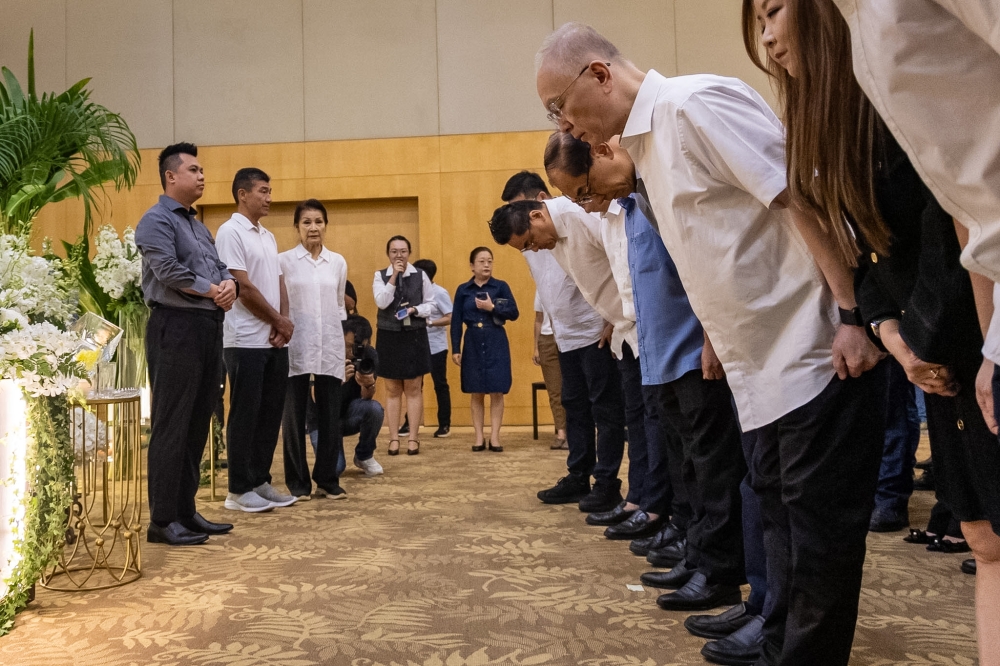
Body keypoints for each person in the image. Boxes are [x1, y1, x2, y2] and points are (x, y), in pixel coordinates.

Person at [535, 23, 886, 666]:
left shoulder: (692, 106)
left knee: (815, 536)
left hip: (810, 348)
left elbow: (799, 195)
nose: (565, 125)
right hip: (759, 365)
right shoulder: (646, 144)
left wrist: (853, 312)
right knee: (778, 517)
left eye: (560, 107)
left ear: (600, 75)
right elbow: (708, 254)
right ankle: (777, 638)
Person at [745, 2, 1000, 663]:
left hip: (972, 324)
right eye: (759, 24)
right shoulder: (826, 123)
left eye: (773, 11)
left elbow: (956, 216)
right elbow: (868, 249)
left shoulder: (887, 76)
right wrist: (891, 332)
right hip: (938, 346)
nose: (768, 37)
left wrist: (927, 336)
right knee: (985, 539)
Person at [501, 172, 627, 514]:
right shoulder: (528, 238)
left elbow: (616, 262)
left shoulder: (576, 217)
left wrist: (611, 317)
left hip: (596, 328)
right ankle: (578, 474)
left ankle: (606, 482)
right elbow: (546, 286)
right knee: (574, 406)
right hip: (564, 333)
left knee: (605, 409)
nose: (530, 245)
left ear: (539, 203)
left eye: (522, 209)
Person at [135, 142, 238, 546]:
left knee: (198, 422)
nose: (202, 176)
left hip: (207, 327)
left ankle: (185, 510)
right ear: (170, 176)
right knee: (172, 424)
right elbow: (167, 271)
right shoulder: (155, 220)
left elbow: (218, 266)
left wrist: (230, 284)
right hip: (175, 327)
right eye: (194, 170)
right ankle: (162, 519)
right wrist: (214, 290)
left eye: (201, 171)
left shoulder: (197, 225)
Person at [216, 168, 297, 512]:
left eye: (270, 190)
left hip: (273, 339)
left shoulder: (267, 235)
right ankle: (237, 488)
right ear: (242, 194)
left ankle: (259, 480)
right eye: (263, 191)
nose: (269, 197)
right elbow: (242, 288)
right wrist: (278, 320)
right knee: (245, 413)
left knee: (269, 412)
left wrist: (284, 322)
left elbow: (279, 282)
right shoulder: (229, 232)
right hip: (244, 339)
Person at [279, 199, 351, 501]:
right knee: (293, 417)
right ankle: (298, 483)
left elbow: (339, 305)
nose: (313, 227)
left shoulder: (337, 262)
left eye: (319, 221)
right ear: (297, 227)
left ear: (326, 226)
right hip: (294, 344)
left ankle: (327, 478)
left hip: (329, 344)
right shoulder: (283, 261)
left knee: (329, 414)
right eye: (306, 222)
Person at [450, 247, 519, 452]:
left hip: (496, 339)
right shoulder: (463, 290)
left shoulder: (501, 287)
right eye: (481, 261)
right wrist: (455, 348)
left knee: (497, 390)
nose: (486, 265)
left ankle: (495, 437)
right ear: (472, 266)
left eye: (489, 261)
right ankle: (479, 437)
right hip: (471, 340)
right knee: (476, 391)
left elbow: (514, 313)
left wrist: (493, 308)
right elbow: (456, 322)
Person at [372, 235, 435, 456]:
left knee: (413, 388)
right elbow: (381, 302)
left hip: (414, 335)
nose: (399, 255)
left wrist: (415, 310)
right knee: (392, 389)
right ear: (388, 254)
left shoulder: (421, 275)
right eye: (394, 251)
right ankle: (393, 438)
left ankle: (414, 438)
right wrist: (394, 276)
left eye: (403, 251)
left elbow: (431, 305)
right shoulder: (380, 276)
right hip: (389, 336)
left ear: (409, 252)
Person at [337, 314, 384, 476]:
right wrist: (338, 380)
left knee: (375, 409)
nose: (351, 352)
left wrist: (368, 384)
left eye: (357, 348)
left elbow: (366, 398)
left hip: (351, 412)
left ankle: (364, 456)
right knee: (335, 469)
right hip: (323, 419)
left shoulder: (369, 355)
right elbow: (316, 400)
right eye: (348, 346)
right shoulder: (327, 352)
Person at [412, 258, 453, 439]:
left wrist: (430, 323)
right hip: (417, 345)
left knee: (440, 384)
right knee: (413, 386)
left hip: (436, 346)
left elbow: (450, 316)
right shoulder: (414, 293)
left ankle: (444, 423)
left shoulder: (439, 293)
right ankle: (409, 422)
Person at [532, 296, 567, 449]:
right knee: (554, 390)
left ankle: (575, 432)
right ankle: (561, 433)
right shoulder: (541, 288)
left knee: (574, 389)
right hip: (546, 340)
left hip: (568, 336)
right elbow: (538, 319)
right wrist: (535, 347)